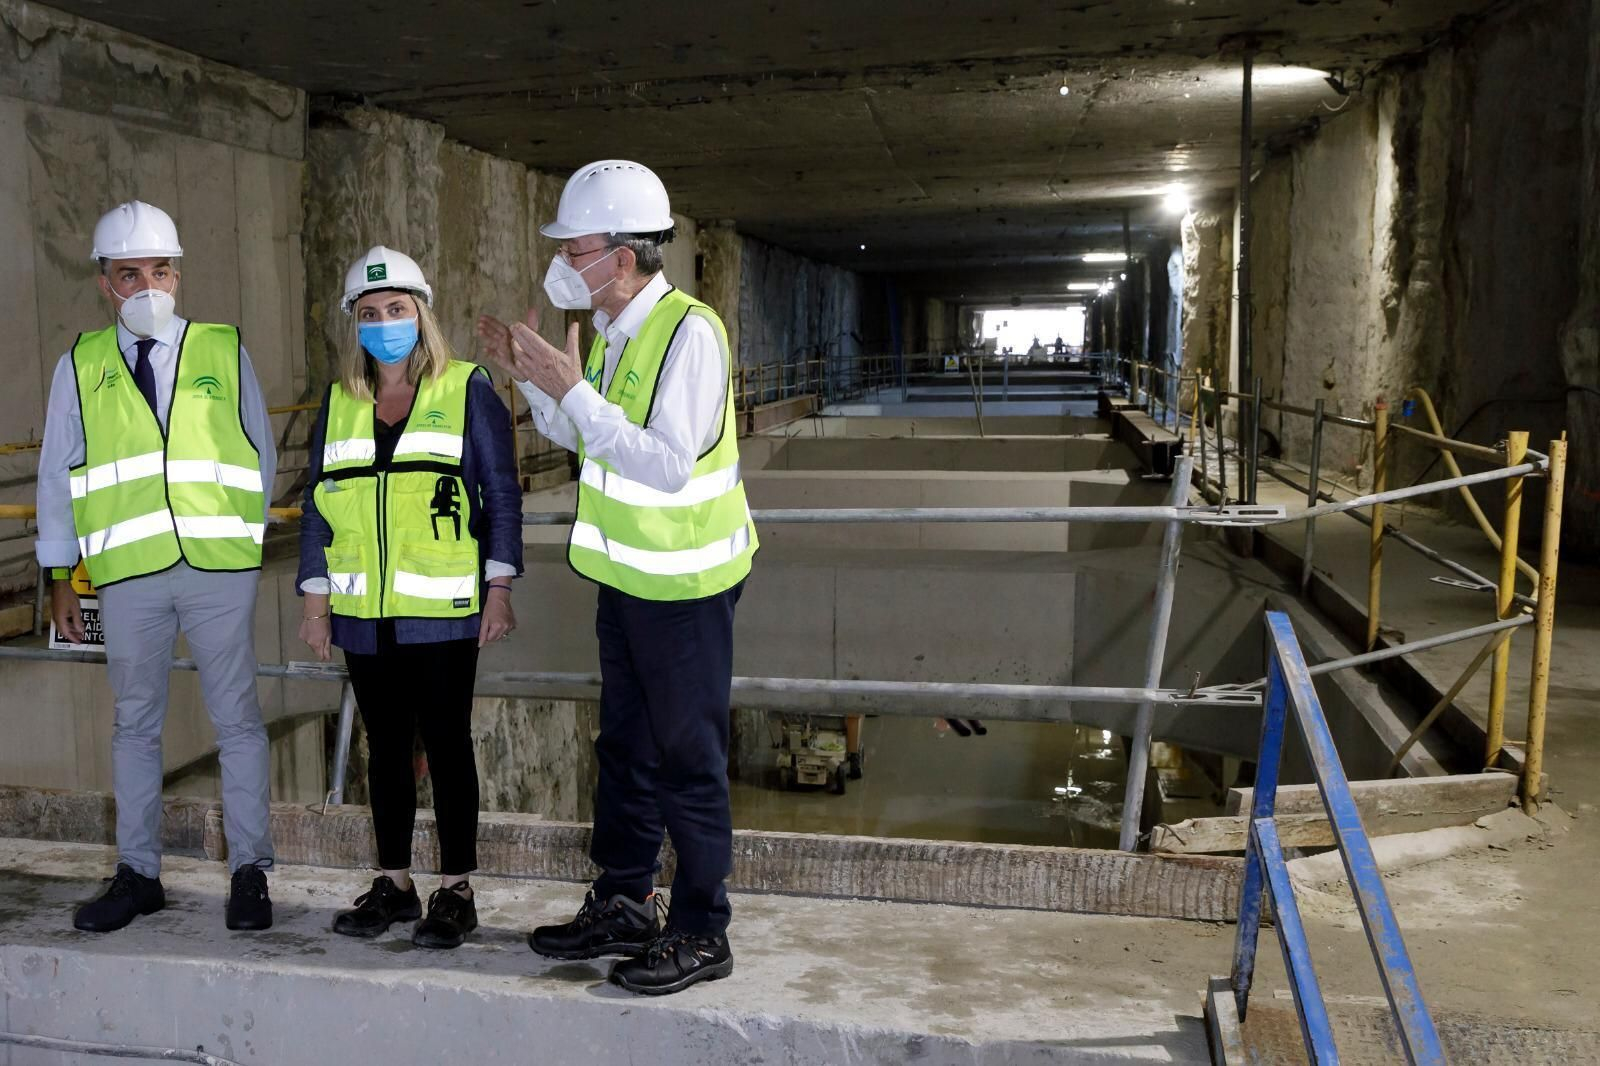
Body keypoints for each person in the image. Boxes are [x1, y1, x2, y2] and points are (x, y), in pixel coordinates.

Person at [477, 159, 757, 996]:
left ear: (623, 258)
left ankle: (703, 929)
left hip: (687, 587)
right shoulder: (620, 332)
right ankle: (626, 899)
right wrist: (538, 382)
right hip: (631, 582)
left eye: (576, 246)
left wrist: (574, 393)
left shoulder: (689, 333)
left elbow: (668, 465)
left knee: (689, 759)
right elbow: (594, 436)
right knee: (626, 750)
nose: (563, 259)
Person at [36, 201, 276, 932]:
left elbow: (260, 454)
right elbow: (56, 473)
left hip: (215, 571)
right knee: (134, 725)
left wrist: (239, 546)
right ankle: (138, 873)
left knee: (237, 720)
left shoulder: (223, 350)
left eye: (161, 271)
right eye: (130, 273)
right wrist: (59, 576)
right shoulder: (79, 364)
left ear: (179, 274)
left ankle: (250, 873)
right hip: (128, 572)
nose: (149, 285)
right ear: (105, 284)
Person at [297, 246, 522, 949]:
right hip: (365, 616)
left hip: (445, 612)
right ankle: (394, 884)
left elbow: (503, 494)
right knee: (384, 748)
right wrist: (315, 601)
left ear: (421, 315)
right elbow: (316, 507)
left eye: (396, 309)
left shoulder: (465, 390)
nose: (385, 323)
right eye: (370, 314)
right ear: (354, 325)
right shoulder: (339, 404)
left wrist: (500, 586)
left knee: (449, 746)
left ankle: (456, 891)